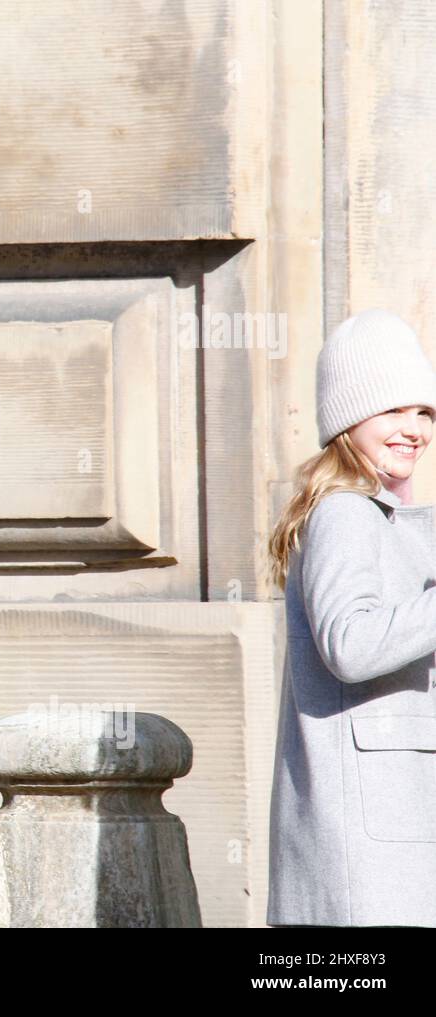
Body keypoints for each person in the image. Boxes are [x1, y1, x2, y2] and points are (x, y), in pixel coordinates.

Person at [266, 308, 436, 926]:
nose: (415, 428)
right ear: (348, 420)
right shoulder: (345, 512)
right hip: (367, 856)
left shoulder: (391, 520)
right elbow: (353, 644)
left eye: (424, 412)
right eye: (393, 410)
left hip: (394, 834)